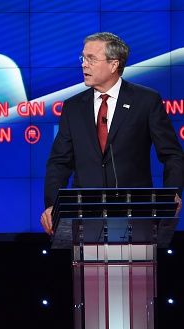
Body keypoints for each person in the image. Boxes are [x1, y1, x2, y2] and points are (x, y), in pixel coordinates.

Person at [41, 32, 184, 234]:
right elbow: (59, 162)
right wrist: (52, 204)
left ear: (114, 65)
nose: (84, 64)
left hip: (135, 215)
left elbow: (173, 155)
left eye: (91, 59)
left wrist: (172, 193)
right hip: (84, 218)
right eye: (83, 58)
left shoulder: (145, 101)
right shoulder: (73, 107)